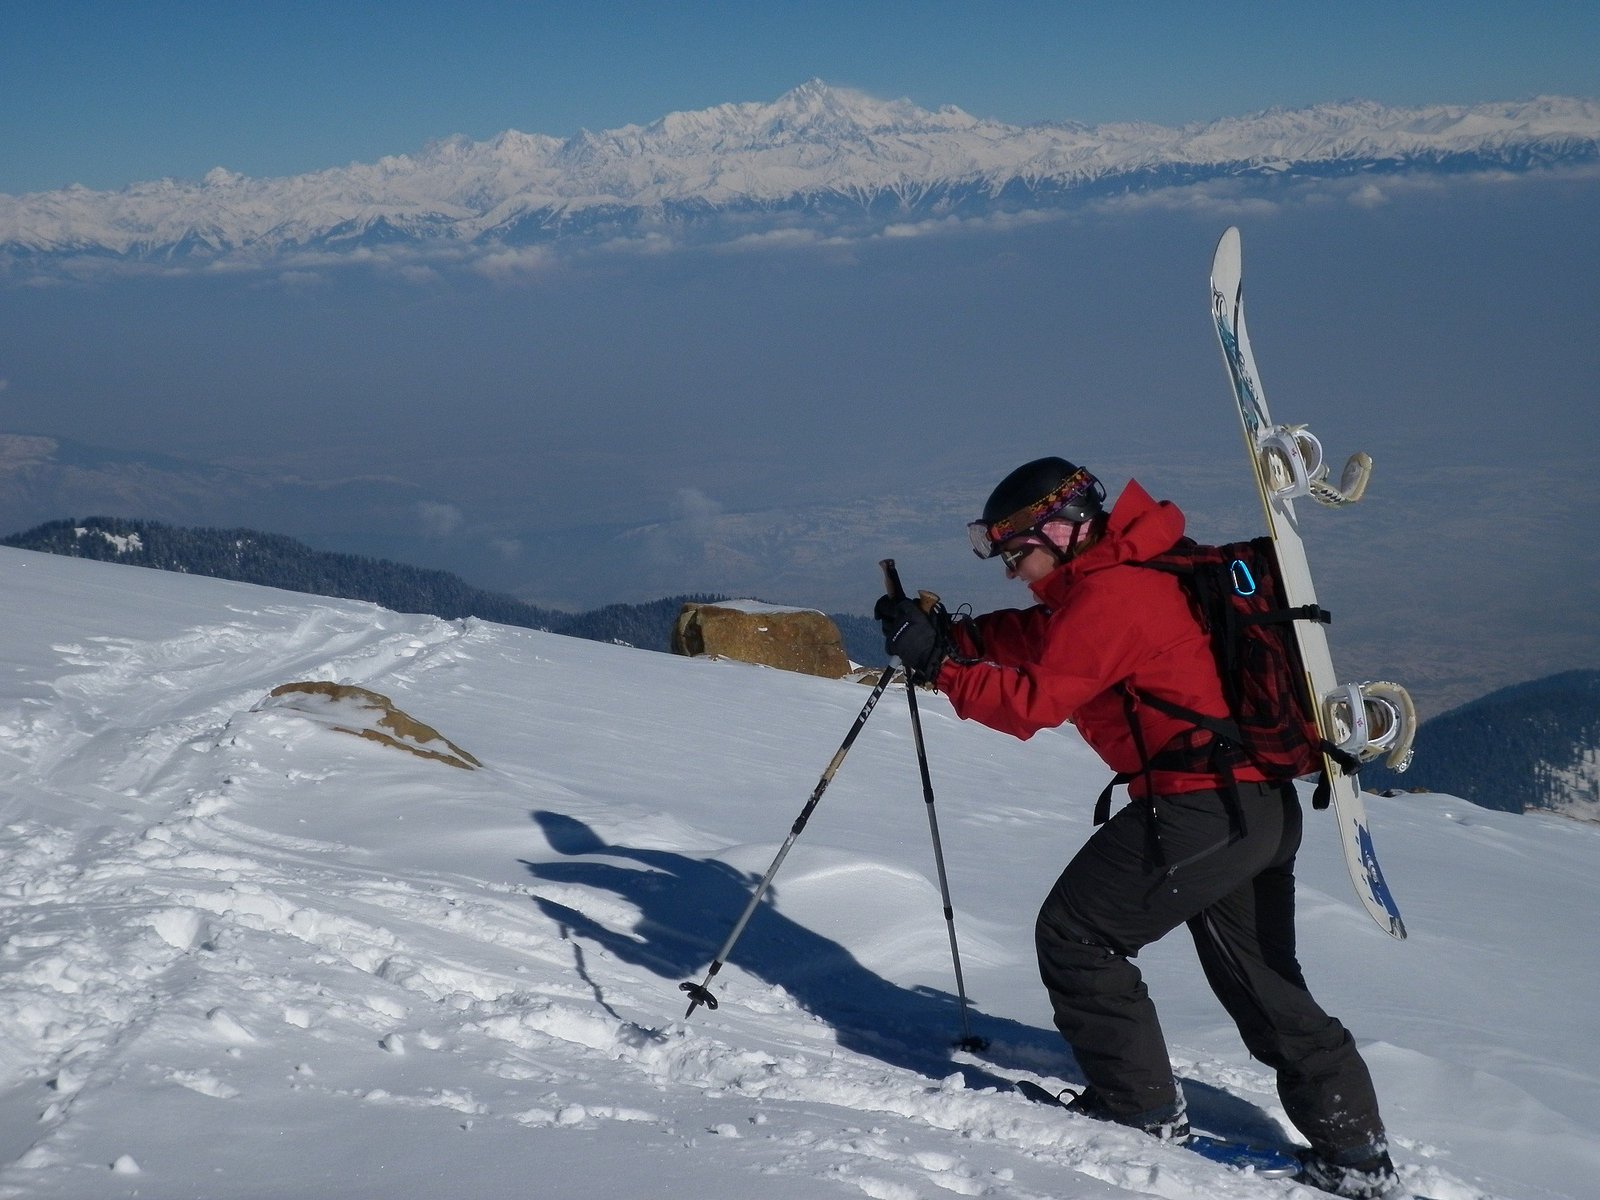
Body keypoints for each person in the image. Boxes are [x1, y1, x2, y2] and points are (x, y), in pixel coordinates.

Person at [875, 456, 1399, 1200]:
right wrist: (955, 641)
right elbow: (1042, 639)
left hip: (1201, 808)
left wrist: (942, 670)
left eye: (1016, 553)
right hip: (1248, 806)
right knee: (1262, 986)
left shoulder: (1114, 595)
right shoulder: (1123, 575)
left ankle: (1140, 1111)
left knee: (1077, 934)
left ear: (1061, 530)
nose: (1011, 570)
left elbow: (1032, 702)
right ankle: (1355, 1154)